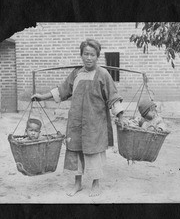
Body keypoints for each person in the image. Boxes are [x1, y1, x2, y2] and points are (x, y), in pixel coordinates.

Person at [31, 39, 127, 197]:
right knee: (75, 150)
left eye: (92, 55)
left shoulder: (103, 74)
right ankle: (78, 184)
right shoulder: (76, 73)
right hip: (76, 120)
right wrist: (42, 96)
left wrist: (121, 116)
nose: (89, 58)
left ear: (97, 56)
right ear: (81, 55)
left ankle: (96, 184)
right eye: (86, 54)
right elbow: (62, 90)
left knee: (94, 152)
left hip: (95, 122)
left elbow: (114, 97)